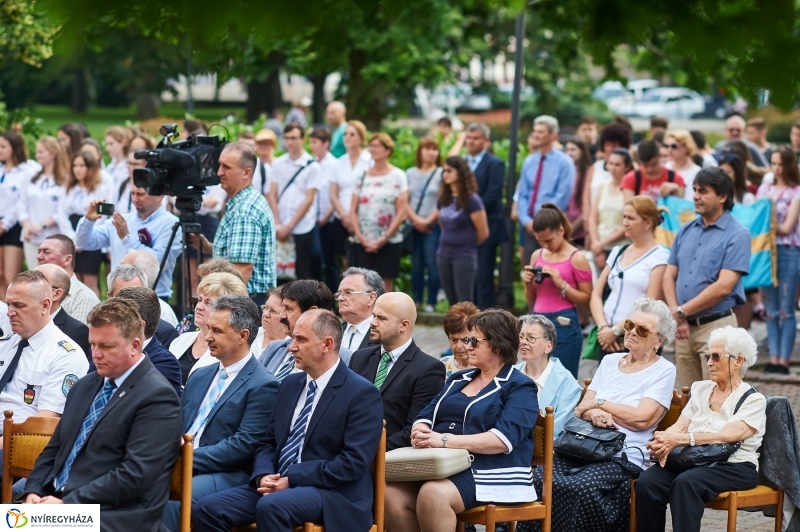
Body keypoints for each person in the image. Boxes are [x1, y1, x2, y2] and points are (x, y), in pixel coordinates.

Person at [192, 309, 384, 532]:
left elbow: (352, 463)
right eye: (293, 338)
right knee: (208, 509)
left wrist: (292, 479)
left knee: (272, 506)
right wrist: (263, 475)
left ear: (327, 344)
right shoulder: (290, 385)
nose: (291, 346)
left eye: (301, 340)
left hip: (332, 493)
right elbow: (268, 443)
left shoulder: (361, 393)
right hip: (277, 485)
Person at [21, 298, 182, 531]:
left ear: (135, 346)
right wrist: (34, 490)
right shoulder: (85, 385)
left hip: (116, 514)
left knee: (16, 526)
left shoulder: (158, 397)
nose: (96, 354)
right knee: (9, 522)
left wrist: (67, 503)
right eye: (92, 344)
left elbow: (135, 475)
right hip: (58, 504)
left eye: (106, 346)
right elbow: (55, 448)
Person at [524, 298, 677, 532]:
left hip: (622, 455)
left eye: (643, 330)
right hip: (583, 446)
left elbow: (642, 419)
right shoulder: (609, 360)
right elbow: (582, 407)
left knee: (581, 487)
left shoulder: (663, 370)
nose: (632, 332)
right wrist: (594, 411)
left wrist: (601, 403)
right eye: (629, 325)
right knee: (539, 478)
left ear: (659, 341)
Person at [384, 309, 539, 532]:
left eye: (473, 341)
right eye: (468, 340)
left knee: (433, 494)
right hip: (442, 466)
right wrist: (421, 431)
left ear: (498, 345)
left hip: (491, 470)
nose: (466, 346)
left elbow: (502, 440)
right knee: (389, 493)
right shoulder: (459, 378)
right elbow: (425, 415)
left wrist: (443, 440)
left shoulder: (520, 386)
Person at [162, 295, 279, 532]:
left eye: (217, 330)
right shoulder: (200, 375)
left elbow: (244, 445)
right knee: (127, 488)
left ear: (243, 336)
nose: (207, 337)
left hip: (227, 473)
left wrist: (187, 458)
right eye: (208, 329)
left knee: (172, 501)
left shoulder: (264, 384)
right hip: (180, 461)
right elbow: (180, 424)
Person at [635, 326, 766, 532]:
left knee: (686, 483)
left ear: (738, 361)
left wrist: (681, 440)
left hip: (734, 466)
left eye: (716, 357)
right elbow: (680, 425)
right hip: (695, 460)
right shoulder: (700, 388)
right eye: (708, 356)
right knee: (647, 482)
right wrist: (663, 439)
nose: (709, 363)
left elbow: (728, 436)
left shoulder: (753, 399)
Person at [663, 168, 751, 388]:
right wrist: (678, 314)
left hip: (716, 327)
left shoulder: (738, 234)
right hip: (684, 329)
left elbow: (724, 286)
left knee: (719, 398)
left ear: (722, 197)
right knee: (688, 398)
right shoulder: (685, 230)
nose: (695, 196)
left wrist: (681, 312)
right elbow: (669, 274)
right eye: (694, 190)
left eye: (703, 191)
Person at [349, 292, 445, 451]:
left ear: (404, 325)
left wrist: (368, 453)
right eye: (373, 316)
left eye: (382, 318)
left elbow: (413, 430)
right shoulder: (359, 358)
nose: (372, 323)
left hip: (387, 458)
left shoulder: (428, 369)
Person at [0, 270, 89, 430]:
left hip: (19, 443)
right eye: (9, 304)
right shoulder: (4, 345)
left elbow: (44, 423)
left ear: (45, 305)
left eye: (19, 305)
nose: (10, 312)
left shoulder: (65, 355)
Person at [590, 196, 670, 359]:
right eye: (624, 217)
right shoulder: (618, 251)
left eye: (631, 218)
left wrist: (617, 330)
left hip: (638, 338)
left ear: (647, 223)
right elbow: (596, 294)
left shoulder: (660, 255)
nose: (625, 223)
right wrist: (603, 329)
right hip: (607, 338)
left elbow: (650, 303)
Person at [75, 182, 182, 301]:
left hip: (151, 298)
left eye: (140, 194)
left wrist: (126, 238)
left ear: (159, 195)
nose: (135, 199)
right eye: (133, 193)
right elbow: (83, 243)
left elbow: (158, 262)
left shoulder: (171, 223)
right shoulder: (123, 219)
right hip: (118, 296)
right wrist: (88, 220)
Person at [200, 142, 276, 307]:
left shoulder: (245, 210)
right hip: (247, 300)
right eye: (219, 165)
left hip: (244, 303)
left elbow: (241, 271)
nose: (219, 172)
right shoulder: (243, 201)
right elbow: (237, 255)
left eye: (226, 167)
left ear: (246, 172)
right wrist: (210, 248)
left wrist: (224, 309)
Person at [522, 204, 592, 378]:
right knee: (535, 377)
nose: (546, 245)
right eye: (540, 241)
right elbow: (531, 300)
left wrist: (562, 285)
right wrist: (528, 284)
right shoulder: (537, 256)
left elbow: (587, 300)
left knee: (562, 380)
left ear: (561, 230)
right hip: (537, 320)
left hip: (564, 322)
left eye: (549, 240)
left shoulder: (577, 258)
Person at [756, 146, 800, 374]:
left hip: (788, 250)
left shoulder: (796, 192)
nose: (777, 168)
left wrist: (768, 216)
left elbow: (786, 227)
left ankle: (784, 359)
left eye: (781, 164)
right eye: (773, 163)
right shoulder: (765, 188)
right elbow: (755, 219)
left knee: (786, 308)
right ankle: (773, 357)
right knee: (770, 308)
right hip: (766, 251)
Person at [349, 132, 409, 292]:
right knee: (362, 284)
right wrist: (361, 237)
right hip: (363, 240)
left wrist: (384, 238)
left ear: (388, 150)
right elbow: (353, 210)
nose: (372, 149)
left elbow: (401, 212)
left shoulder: (398, 176)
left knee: (385, 283)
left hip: (388, 240)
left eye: (377, 146)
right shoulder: (361, 175)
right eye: (371, 145)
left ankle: (386, 315)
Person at [258, 280, 352, 376]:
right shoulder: (274, 349)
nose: (282, 316)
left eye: (289, 309)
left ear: (312, 312)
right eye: (282, 308)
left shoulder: (344, 359)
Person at [168, 273, 249, 383]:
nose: (199, 307)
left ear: (229, 310)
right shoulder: (181, 340)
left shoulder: (233, 350)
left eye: (208, 303)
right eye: (200, 300)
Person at [517, 116, 576, 263]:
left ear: (553, 136)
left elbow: (562, 196)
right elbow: (522, 194)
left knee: (551, 268)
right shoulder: (529, 161)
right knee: (530, 271)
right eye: (534, 131)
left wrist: (541, 219)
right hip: (529, 226)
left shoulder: (565, 163)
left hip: (551, 226)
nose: (536, 135)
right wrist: (526, 220)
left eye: (541, 132)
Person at [267, 123, 322, 281]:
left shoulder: (312, 166)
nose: (290, 142)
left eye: (294, 138)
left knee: (303, 272)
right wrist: (278, 223)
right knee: (280, 272)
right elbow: (272, 193)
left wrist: (289, 226)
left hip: (302, 226)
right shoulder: (278, 163)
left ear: (303, 139)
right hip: (280, 223)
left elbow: (309, 199)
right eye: (287, 138)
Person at [514, 314, 581, 437]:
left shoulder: (566, 382)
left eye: (531, 338)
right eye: (521, 337)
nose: (523, 342)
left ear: (548, 346)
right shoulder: (510, 373)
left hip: (544, 451)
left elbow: (559, 429)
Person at [57, 150, 114, 295]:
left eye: (82, 165)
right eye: (75, 165)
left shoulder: (100, 188)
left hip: (91, 232)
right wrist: (72, 238)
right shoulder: (69, 187)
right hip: (71, 233)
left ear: (90, 168)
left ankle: (92, 314)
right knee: (73, 278)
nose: (78, 169)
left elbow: (102, 217)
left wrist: (84, 237)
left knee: (89, 280)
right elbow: (61, 213)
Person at [463, 123, 508, 309]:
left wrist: (467, 214)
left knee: (483, 275)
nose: (471, 141)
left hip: (487, 227)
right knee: (468, 274)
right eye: (469, 137)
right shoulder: (462, 162)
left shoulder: (495, 163)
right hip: (463, 230)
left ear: (486, 140)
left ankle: (486, 318)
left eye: (476, 138)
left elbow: (492, 194)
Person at [434, 156, 489, 305]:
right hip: (444, 254)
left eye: (449, 171)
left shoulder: (472, 200)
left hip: (464, 255)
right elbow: (443, 224)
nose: (445, 174)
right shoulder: (443, 198)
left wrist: (465, 242)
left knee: (464, 302)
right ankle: (454, 329)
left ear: (461, 172)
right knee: (451, 302)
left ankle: (468, 329)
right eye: (444, 171)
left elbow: (483, 232)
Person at [114, 286, 183, 397]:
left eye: (117, 319)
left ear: (139, 326)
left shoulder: (164, 364)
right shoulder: (103, 352)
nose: (110, 324)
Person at [406, 137, 443, 312]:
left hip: (432, 227)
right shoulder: (410, 173)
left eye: (434, 149)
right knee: (416, 265)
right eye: (427, 149)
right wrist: (416, 219)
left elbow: (442, 201)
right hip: (414, 226)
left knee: (432, 264)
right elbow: (404, 200)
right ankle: (418, 300)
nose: (431, 152)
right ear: (420, 151)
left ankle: (431, 302)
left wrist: (427, 221)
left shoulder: (441, 173)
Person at [106, 263, 179, 349]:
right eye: (122, 297)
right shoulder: (101, 327)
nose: (130, 303)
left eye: (136, 295)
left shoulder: (164, 332)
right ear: (110, 297)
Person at [15, 134, 57, 276]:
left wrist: (42, 224)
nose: (37, 155)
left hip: (52, 235)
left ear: (53, 153)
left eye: (41, 152)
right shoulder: (32, 176)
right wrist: (26, 225)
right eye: (37, 152)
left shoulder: (63, 179)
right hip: (31, 235)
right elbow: (21, 203)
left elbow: (63, 209)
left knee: (51, 277)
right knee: (34, 275)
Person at [34, 264, 91, 364]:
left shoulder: (77, 331)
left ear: (56, 294)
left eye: (36, 284)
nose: (27, 288)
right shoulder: (20, 320)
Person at [36, 234, 100, 323]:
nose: (39, 257)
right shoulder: (32, 290)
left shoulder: (84, 297)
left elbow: (77, 335)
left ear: (67, 259)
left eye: (46, 252)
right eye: (39, 251)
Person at [582, 123, 633, 231]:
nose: (610, 149)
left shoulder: (632, 170)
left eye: (614, 145)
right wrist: (587, 223)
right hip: (594, 226)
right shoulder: (595, 167)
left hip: (618, 226)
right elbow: (586, 198)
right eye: (607, 145)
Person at [588, 148, 632, 268]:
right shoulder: (603, 186)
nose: (613, 168)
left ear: (627, 167)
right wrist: (597, 246)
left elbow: (630, 222)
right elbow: (592, 218)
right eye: (611, 163)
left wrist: (601, 244)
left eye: (618, 164)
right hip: (600, 248)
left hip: (622, 248)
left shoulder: (629, 189)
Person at [310, 127, 339, 289]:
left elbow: (335, 195)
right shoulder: (311, 163)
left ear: (325, 143)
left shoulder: (334, 164)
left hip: (329, 219)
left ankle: (333, 297)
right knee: (314, 259)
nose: (312, 145)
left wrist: (325, 217)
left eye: (315, 142)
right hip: (312, 220)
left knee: (330, 260)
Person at [120, 248, 179, 326]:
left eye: (124, 269)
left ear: (143, 276)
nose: (116, 273)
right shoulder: (114, 307)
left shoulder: (163, 313)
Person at [338, 267, 385, 352]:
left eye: (348, 292)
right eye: (339, 293)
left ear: (371, 298)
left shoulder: (385, 335)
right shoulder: (334, 331)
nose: (340, 298)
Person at [621, 140, 686, 202]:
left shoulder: (676, 179)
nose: (650, 169)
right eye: (645, 165)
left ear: (660, 157)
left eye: (653, 164)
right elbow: (629, 208)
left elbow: (680, 209)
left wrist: (676, 191)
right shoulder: (630, 179)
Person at [564, 138, 592, 247]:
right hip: (565, 227)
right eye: (567, 150)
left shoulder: (588, 173)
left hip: (580, 231)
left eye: (573, 149)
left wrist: (571, 230)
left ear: (582, 151)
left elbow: (587, 205)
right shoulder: (566, 173)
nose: (569, 153)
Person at [440, 302, 479, 377]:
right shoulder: (442, 366)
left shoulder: (484, 369)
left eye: (465, 340)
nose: (458, 346)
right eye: (454, 340)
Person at [665, 129, 702, 200]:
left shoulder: (697, 172)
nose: (669, 149)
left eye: (674, 146)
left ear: (687, 147)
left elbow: (691, 200)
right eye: (666, 146)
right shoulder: (666, 167)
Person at [251, 287, 287, 358]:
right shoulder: (251, 334)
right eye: (265, 307)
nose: (265, 314)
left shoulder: (291, 346)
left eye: (273, 311)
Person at [104, 126, 131, 190]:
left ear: (123, 143)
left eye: (111, 144)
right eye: (107, 144)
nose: (107, 148)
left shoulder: (127, 168)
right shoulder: (110, 167)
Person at [253, 129, 277, 199]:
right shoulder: (253, 164)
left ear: (273, 145)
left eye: (266, 143)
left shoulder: (278, 164)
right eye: (260, 143)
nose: (262, 146)